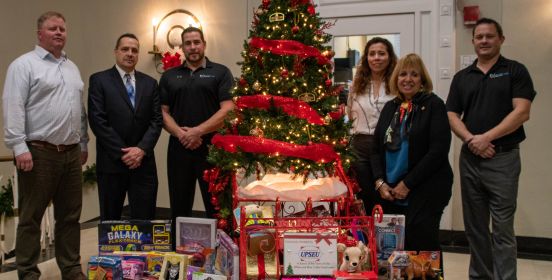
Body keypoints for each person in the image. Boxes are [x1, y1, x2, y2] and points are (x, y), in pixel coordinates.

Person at [446, 18, 536, 280]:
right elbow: (452, 113)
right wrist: (472, 140)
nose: (484, 41)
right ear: (473, 41)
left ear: (501, 39)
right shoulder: (463, 77)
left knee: (503, 229)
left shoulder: (515, 71)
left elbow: (522, 112)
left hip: (503, 158)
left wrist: (487, 138)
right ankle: (480, 277)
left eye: (490, 36)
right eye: (479, 37)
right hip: (471, 158)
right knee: (475, 227)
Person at [2, 11, 88, 279]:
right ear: (40, 34)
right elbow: (13, 105)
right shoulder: (23, 65)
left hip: (72, 153)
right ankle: (27, 272)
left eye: (63, 28)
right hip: (39, 152)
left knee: (70, 216)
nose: (59, 32)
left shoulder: (71, 67)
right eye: (53, 28)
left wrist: (83, 142)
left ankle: (71, 268)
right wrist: (18, 146)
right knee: (31, 218)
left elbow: (78, 109)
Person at [372, 53, 452, 251]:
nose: (407, 79)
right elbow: (375, 149)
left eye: (414, 75)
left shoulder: (434, 105)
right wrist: (380, 182)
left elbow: (438, 151)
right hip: (390, 192)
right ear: (395, 78)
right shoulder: (391, 107)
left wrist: (407, 184)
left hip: (425, 189)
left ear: (422, 79)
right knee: (393, 249)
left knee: (422, 247)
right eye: (402, 74)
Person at [158, 27, 234, 221]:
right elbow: (162, 112)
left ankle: (221, 248)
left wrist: (198, 131)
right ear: (182, 47)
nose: (193, 47)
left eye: (196, 42)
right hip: (179, 148)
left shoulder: (220, 72)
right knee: (179, 203)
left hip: (213, 149)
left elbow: (228, 109)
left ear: (204, 45)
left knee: (217, 204)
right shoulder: (169, 76)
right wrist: (181, 134)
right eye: (188, 43)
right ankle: (178, 249)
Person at [88, 33, 162, 220]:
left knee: (145, 222)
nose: (130, 54)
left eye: (134, 50)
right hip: (112, 164)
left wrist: (141, 150)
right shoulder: (99, 80)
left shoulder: (150, 83)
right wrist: (124, 153)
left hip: (143, 164)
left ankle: (142, 251)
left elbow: (156, 121)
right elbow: (98, 121)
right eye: (125, 49)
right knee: (110, 220)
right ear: (116, 52)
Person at [346, 37, 397, 211]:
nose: (376, 58)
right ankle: (367, 237)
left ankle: (387, 236)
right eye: (372, 54)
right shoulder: (357, 84)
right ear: (366, 58)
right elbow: (349, 112)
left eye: (381, 53)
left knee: (385, 195)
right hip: (359, 147)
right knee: (365, 196)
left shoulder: (397, 84)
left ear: (389, 57)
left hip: (387, 146)